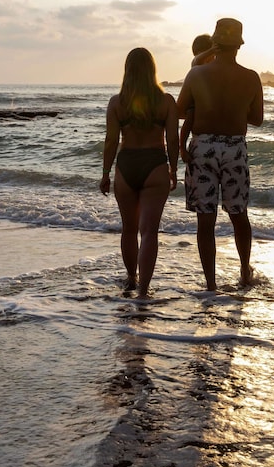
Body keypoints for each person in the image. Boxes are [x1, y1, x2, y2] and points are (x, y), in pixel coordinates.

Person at [176, 18, 264, 291]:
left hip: (203, 148)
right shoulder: (251, 77)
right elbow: (257, 119)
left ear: (214, 43)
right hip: (235, 149)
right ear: (239, 45)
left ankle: (211, 284)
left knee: (206, 219)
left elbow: (180, 111)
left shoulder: (196, 75)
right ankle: (244, 271)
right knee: (239, 214)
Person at [100, 48, 178, 296]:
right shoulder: (166, 102)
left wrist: (105, 173)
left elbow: (111, 141)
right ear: (152, 70)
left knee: (129, 229)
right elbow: (173, 139)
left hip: (126, 166)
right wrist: (173, 168)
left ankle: (131, 278)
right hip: (155, 165)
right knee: (149, 231)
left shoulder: (116, 103)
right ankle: (144, 291)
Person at [179, 33, 218, 164]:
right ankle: (182, 148)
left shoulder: (218, 68)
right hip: (196, 108)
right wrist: (213, 49)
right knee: (190, 116)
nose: (207, 60)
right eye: (204, 56)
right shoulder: (197, 69)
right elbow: (196, 61)